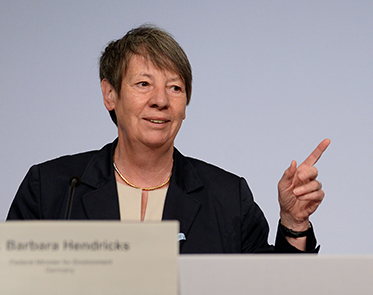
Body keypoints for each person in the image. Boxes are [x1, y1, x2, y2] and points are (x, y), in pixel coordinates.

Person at [6, 24, 330, 254]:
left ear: (185, 105)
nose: (161, 100)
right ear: (110, 94)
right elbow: (12, 289)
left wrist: (293, 222)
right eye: (144, 84)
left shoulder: (229, 198)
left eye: (175, 87)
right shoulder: (51, 188)